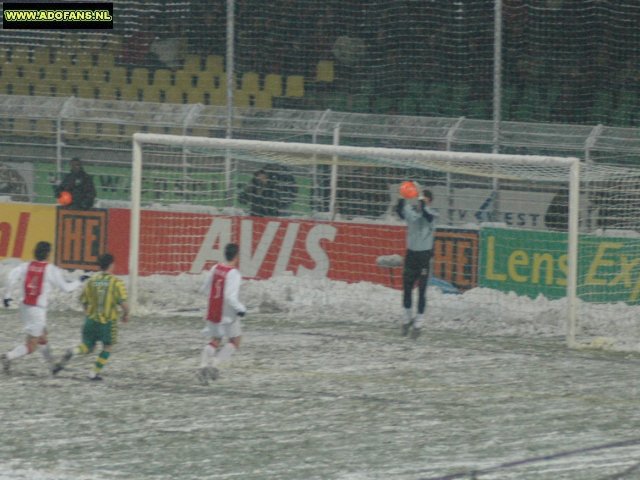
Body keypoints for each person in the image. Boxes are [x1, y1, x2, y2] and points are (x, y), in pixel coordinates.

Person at [1, 241, 85, 374]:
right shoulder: (50, 269)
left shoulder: (26, 266)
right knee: (32, 345)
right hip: (37, 310)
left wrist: (7, 295)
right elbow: (66, 288)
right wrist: (79, 281)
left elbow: (12, 276)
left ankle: (52, 366)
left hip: (25, 306)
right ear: (47, 254)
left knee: (43, 336)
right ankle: (8, 356)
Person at [52, 253, 129, 381]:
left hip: (90, 321)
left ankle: (73, 351)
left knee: (87, 346)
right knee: (107, 347)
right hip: (107, 323)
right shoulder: (116, 283)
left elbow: (83, 300)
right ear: (111, 265)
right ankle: (93, 373)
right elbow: (124, 305)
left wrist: (88, 313)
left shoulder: (91, 281)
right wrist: (126, 315)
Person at [197, 242, 246, 385]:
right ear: (237, 256)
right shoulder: (234, 273)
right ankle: (214, 365)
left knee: (215, 339)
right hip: (227, 313)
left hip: (213, 308)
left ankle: (202, 366)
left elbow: (204, 289)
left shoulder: (215, 268)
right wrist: (241, 309)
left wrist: (214, 300)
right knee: (235, 340)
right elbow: (230, 296)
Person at [395, 188, 438, 339]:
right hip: (411, 255)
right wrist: (402, 197)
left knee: (422, 290)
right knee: (406, 288)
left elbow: (427, 216)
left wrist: (421, 202)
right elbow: (399, 211)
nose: (422, 201)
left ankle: (418, 323)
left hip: (424, 257)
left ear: (429, 201)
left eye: (425, 199)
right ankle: (406, 319)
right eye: (421, 198)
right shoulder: (411, 212)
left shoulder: (433, 214)